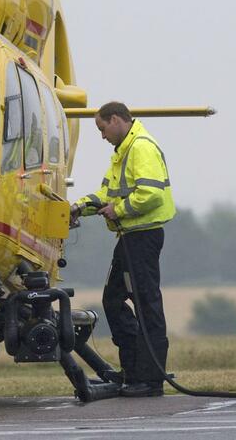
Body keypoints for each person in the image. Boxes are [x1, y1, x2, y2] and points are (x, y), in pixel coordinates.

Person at [70, 101, 176, 397]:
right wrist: (80, 207)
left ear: (116, 120)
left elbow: (152, 195)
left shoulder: (140, 147)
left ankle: (150, 379)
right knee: (113, 300)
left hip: (142, 238)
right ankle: (133, 370)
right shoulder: (123, 151)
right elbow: (106, 194)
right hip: (129, 238)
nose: (102, 136)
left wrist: (120, 210)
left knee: (146, 305)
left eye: (102, 129)